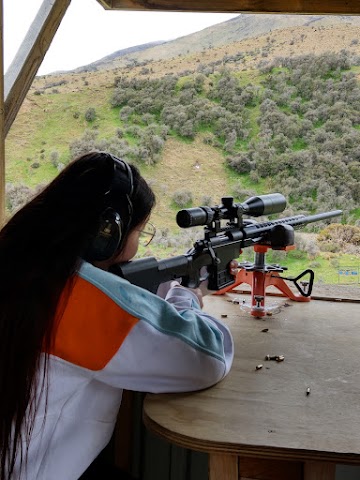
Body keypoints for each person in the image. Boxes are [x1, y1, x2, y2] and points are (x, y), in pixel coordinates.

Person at [0, 151, 234, 480]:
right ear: (107, 235)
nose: (138, 245)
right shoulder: (79, 300)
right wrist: (188, 296)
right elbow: (207, 356)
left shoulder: (17, 264)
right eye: (140, 234)